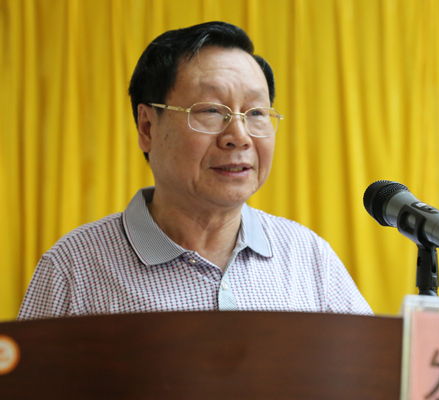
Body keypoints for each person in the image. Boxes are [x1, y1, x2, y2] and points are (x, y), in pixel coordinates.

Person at [18, 21, 372, 320]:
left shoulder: (307, 256)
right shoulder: (75, 267)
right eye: (211, 111)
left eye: (256, 113)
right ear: (147, 127)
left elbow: (375, 371)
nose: (239, 136)